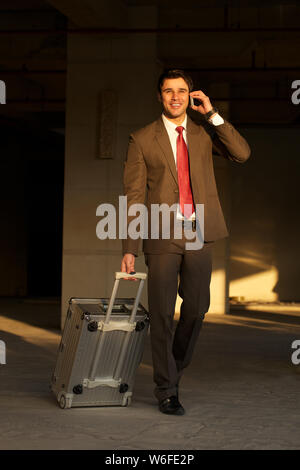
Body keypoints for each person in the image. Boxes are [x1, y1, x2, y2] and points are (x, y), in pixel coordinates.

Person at [121, 69, 250, 415]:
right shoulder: (142, 138)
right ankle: (166, 389)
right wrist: (130, 249)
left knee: (196, 309)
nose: (175, 97)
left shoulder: (204, 133)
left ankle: (172, 370)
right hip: (161, 233)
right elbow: (133, 197)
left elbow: (241, 153)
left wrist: (211, 113)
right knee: (162, 315)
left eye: (181, 91)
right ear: (159, 96)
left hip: (198, 231)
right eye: (168, 91)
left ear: (191, 95)